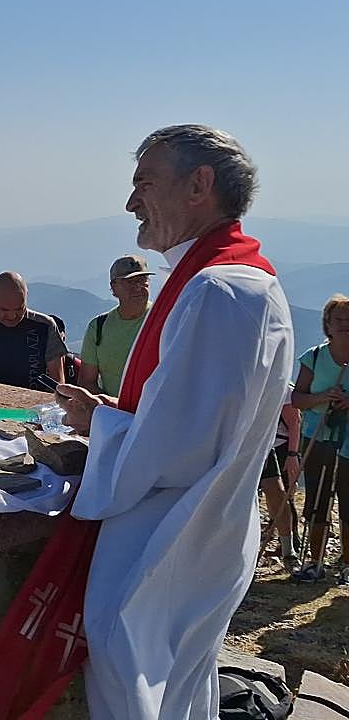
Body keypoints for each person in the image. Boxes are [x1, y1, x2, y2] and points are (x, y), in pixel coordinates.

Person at [48, 125, 293, 719]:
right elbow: (195, 418)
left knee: (133, 680)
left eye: (145, 184)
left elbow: (180, 452)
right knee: (180, 688)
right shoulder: (224, 280)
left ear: (199, 185)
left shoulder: (220, 290)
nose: (132, 203)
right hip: (201, 526)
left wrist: (103, 433)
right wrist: (105, 414)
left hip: (172, 534)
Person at [289, 293, 349, 583]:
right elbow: (297, 399)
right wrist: (322, 398)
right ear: (328, 323)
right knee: (318, 498)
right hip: (318, 436)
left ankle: (346, 563)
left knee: (348, 501)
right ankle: (315, 561)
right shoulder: (313, 357)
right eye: (339, 320)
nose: (345, 325)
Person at [78, 255, 155, 396]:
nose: (137, 287)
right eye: (130, 282)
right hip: (116, 415)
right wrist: (114, 409)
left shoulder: (164, 318)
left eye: (142, 280)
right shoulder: (98, 328)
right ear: (114, 288)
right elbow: (87, 382)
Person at [259, 395, 301, 570]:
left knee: (279, 494)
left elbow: (294, 421)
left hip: (268, 446)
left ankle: (289, 551)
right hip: (247, 443)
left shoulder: (279, 383)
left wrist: (292, 455)